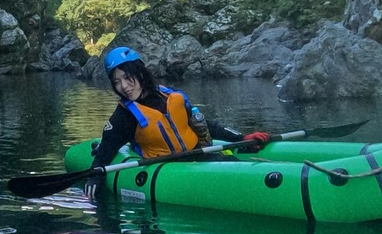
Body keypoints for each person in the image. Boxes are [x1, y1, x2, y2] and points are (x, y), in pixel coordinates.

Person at [89, 45, 267, 170]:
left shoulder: (171, 96)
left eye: (128, 77)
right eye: (117, 82)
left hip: (199, 155)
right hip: (169, 170)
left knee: (234, 163)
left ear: (140, 72)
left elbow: (204, 124)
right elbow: (106, 150)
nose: (124, 87)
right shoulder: (124, 116)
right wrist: (96, 175)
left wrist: (241, 138)